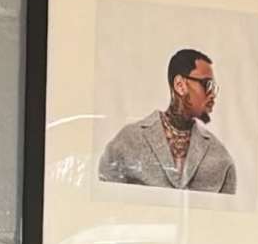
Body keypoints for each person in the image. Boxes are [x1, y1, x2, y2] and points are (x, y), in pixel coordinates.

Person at [96, 47, 238, 196]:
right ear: (180, 85)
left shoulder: (222, 159)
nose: (212, 95)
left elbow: (227, 216)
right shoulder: (127, 141)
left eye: (214, 88)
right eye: (207, 84)